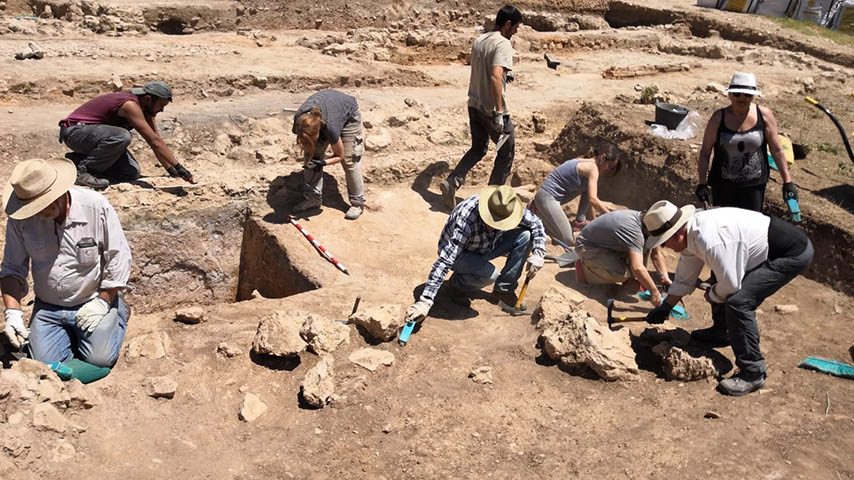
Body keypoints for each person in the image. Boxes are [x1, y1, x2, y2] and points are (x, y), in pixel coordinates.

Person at [643, 200, 813, 396]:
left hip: (789, 253)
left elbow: (731, 285)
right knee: (720, 281)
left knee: (738, 302)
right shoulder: (690, 234)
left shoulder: (710, 238)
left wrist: (712, 294)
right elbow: (685, 276)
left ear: (677, 233)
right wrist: (666, 306)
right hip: (763, 248)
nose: (664, 247)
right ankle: (722, 333)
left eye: (664, 242)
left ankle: (753, 372)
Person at [1, 158, 132, 368]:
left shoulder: (95, 206)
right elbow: (12, 268)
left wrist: (103, 300)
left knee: (99, 360)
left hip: (91, 300)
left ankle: (117, 309)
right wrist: (13, 313)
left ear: (59, 193)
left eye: (42, 205)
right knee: (44, 365)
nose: (38, 212)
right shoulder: (20, 219)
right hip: (48, 308)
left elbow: (118, 256)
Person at [405, 185, 546, 322]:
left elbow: (536, 223)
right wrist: (425, 301)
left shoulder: (507, 208)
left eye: (501, 223)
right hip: (461, 255)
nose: (496, 226)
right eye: (493, 222)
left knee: (526, 236)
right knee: (491, 275)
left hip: (487, 245)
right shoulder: (466, 218)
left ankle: (504, 291)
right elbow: (445, 260)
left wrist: (538, 253)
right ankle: (456, 286)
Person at [439, 5, 523, 210]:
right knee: (506, 153)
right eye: (516, 27)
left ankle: (453, 180)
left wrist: (504, 75)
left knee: (478, 149)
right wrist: (499, 112)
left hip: (474, 104)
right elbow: (494, 76)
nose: (516, 32)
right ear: (508, 24)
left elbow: (485, 69)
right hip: (491, 110)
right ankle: (492, 202)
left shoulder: (480, 39)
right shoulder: (503, 43)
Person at [59, 81, 195, 190]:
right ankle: (84, 172)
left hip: (93, 138)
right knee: (122, 136)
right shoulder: (130, 105)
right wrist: (180, 168)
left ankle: (78, 160)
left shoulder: (146, 109)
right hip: (75, 133)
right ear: (148, 99)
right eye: (161, 105)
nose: (162, 110)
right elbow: (154, 141)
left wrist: (171, 170)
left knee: (131, 173)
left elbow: (155, 141)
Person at [695, 72, 797, 213]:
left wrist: (788, 182)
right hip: (723, 187)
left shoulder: (764, 115)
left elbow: (777, 149)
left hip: (754, 187)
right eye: (737, 94)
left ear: (753, 96)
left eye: (747, 95)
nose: (742, 98)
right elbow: (705, 152)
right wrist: (702, 183)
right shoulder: (718, 118)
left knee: (750, 228)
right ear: (730, 95)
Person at [291, 89, 366, 220]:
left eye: (313, 138)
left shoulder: (331, 127)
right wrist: (314, 158)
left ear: (318, 132)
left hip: (349, 115)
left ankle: (357, 203)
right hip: (326, 113)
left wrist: (323, 162)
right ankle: (313, 198)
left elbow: (340, 155)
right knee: (311, 157)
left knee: (350, 160)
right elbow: (307, 141)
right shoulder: (299, 122)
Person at [574, 209, 671, 306]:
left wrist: (664, 278)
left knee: (647, 245)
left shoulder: (647, 221)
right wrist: (654, 292)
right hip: (587, 247)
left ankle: (630, 278)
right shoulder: (634, 232)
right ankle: (585, 272)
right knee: (622, 274)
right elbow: (637, 268)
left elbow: (656, 253)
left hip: (606, 244)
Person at [532, 145, 621, 248]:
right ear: (602, 157)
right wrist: (612, 218)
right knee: (567, 239)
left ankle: (580, 221)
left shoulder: (586, 161)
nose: (608, 170)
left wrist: (594, 221)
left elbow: (589, 197)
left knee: (588, 188)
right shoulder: (592, 169)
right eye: (609, 166)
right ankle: (537, 215)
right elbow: (593, 199)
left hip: (549, 198)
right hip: (547, 197)